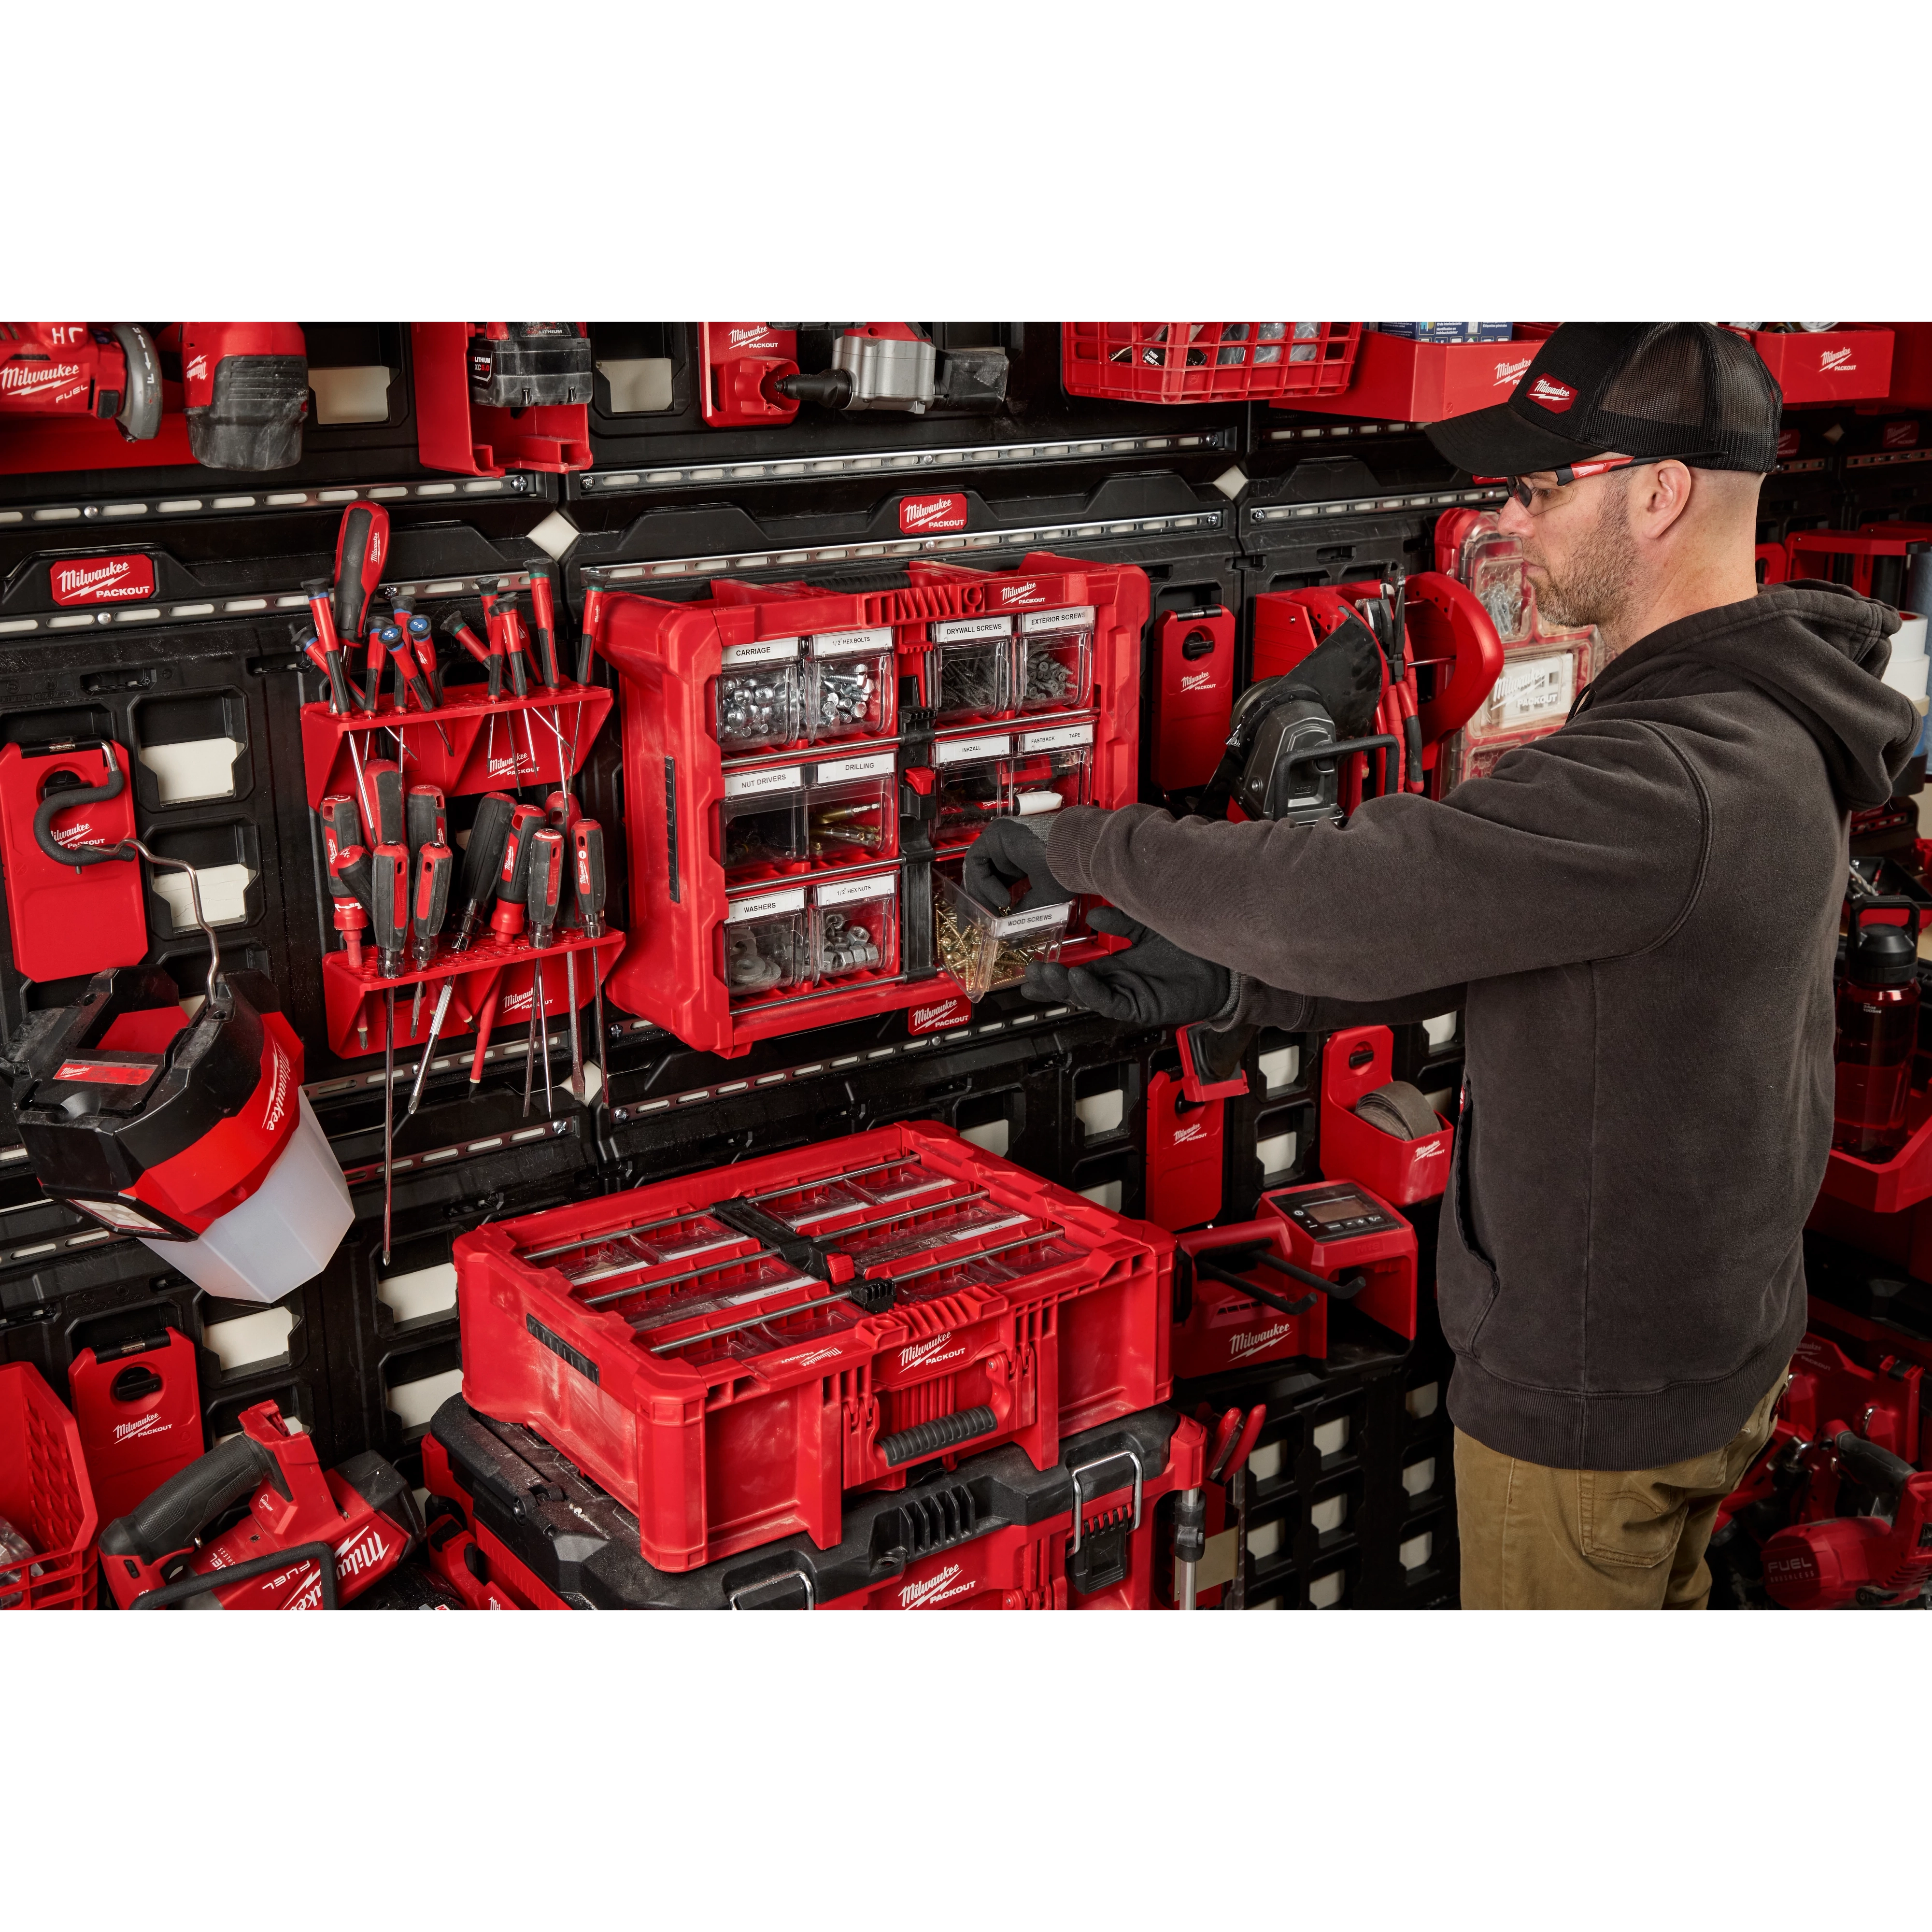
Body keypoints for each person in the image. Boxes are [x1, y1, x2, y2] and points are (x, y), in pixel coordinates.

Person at [966, 320, 1919, 1611]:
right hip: (1704, 1347)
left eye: (1540, 487)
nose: (1511, 523)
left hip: (1597, 1402)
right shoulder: (1757, 720)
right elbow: (1538, 937)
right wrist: (1239, 991)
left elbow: (1356, 895)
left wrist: (1089, 846)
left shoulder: (1674, 773)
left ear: (1656, 491)